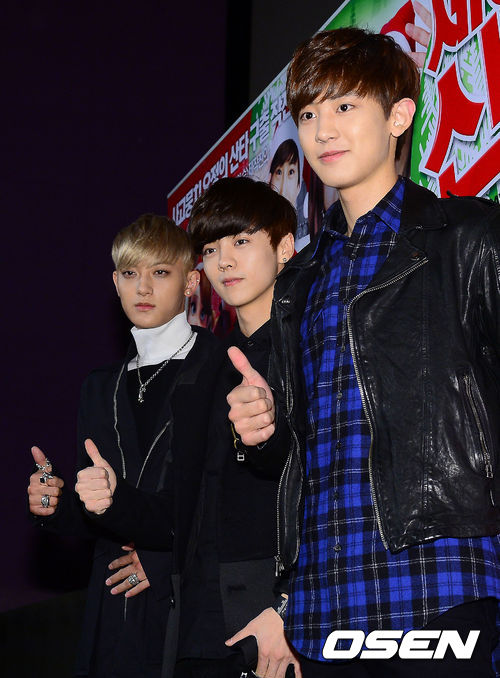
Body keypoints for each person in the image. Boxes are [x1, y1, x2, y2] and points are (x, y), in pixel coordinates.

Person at [227, 27, 500, 677]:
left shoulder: (469, 239)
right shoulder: (298, 281)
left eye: (345, 106)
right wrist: (262, 430)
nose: (323, 130)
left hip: (443, 584)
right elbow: (300, 453)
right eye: (308, 114)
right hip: (322, 606)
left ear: (398, 116)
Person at [28, 214, 223, 678]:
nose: (143, 288)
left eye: (160, 272)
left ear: (190, 282)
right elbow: (96, 510)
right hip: (112, 613)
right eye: (131, 273)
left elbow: (226, 500)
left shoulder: (220, 366)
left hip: (189, 606)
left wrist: (163, 559)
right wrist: (55, 504)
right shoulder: (99, 386)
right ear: (115, 283)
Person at [176, 176, 298, 678]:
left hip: (276, 613)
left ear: (285, 247)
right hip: (201, 617)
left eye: (241, 241)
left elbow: (334, 488)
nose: (223, 261)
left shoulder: (315, 347)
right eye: (210, 249)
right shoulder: (209, 366)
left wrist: (291, 606)